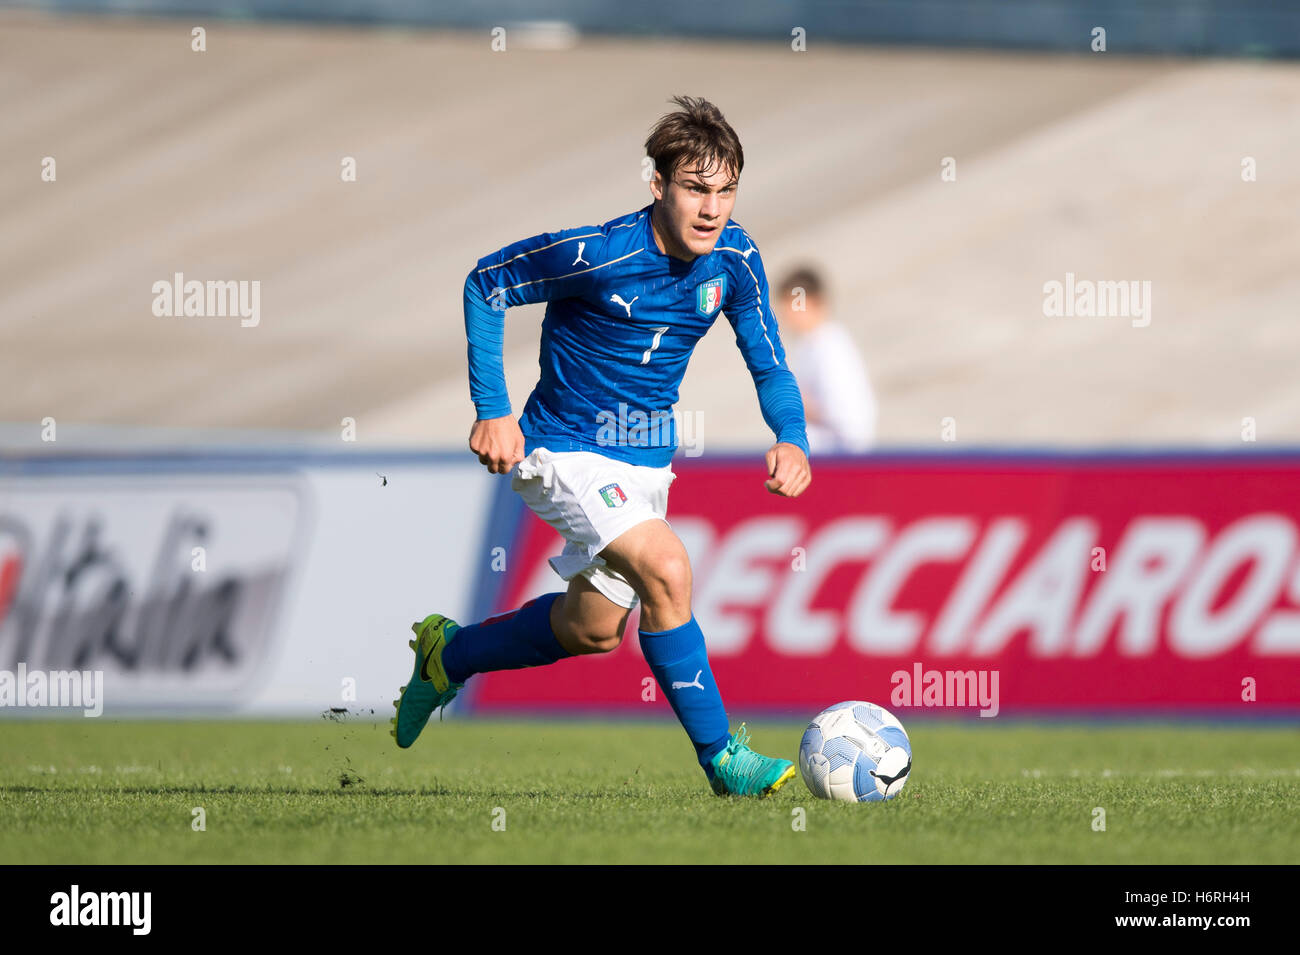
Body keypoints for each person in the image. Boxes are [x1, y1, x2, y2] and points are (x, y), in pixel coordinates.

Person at [391, 95, 812, 798]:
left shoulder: (735, 258)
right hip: (563, 449)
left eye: (726, 189)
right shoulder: (599, 253)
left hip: (645, 462)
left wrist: (791, 436)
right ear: (657, 184)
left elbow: (768, 361)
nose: (712, 208)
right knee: (670, 568)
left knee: (592, 628)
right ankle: (723, 761)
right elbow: (486, 282)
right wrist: (492, 410)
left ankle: (448, 653)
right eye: (695, 187)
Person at [773, 267, 877, 453]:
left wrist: (793, 401)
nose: (785, 316)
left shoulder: (830, 345)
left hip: (839, 460)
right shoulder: (808, 345)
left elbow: (847, 417)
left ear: (813, 302)